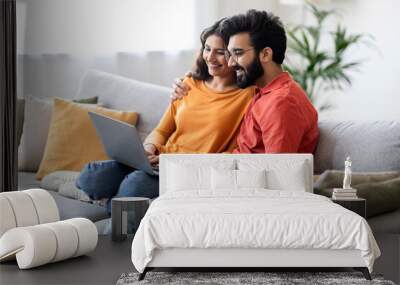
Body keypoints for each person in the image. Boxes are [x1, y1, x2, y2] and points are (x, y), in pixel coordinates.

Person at [76, 19, 255, 213]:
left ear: (235, 56)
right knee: (91, 176)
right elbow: (162, 129)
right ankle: (116, 199)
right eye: (207, 48)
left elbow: (238, 151)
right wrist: (148, 148)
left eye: (220, 52)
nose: (210, 57)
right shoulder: (188, 84)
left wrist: (173, 161)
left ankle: (112, 205)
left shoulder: (248, 96)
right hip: (157, 160)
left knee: (133, 186)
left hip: (186, 171)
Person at [173, 10, 319, 154]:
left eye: (237, 53)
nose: (230, 63)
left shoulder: (281, 103)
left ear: (265, 54)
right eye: (229, 54)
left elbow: (276, 173)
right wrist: (190, 82)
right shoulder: (263, 92)